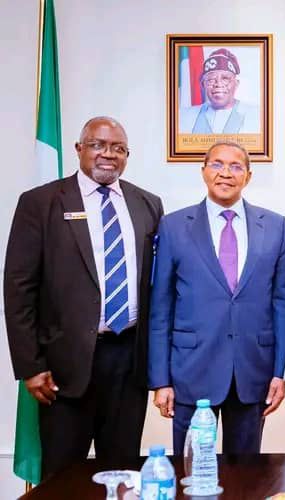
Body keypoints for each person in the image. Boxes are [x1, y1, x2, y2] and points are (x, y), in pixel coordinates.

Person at [4, 116, 163, 479]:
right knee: (63, 476)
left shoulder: (148, 204)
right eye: (98, 145)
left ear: (127, 156)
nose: (108, 155)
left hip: (129, 361)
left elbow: (155, 285)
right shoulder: (41, 202)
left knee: (123, 474)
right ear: (79, 149)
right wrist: (30, 366)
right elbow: (18, 289)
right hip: (63, 367)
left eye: (118, 148)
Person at [148, 140, 285, 456]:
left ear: (248, 176)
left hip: (253, 371)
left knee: (245, 479)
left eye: (236, 166)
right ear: (203, 171)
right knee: (189, 474)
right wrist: (161, 380)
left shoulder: (275, 227)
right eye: (217, 164)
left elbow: (284, 304)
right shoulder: (174, 226)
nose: (225, 173)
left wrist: (280, 371)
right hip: (190, 371)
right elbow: (161, 307)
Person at [179, 48, 260, 134]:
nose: (218, 84)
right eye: (211, 79)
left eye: (225, 78)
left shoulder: (257, 115)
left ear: (236, 84)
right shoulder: (184, 117)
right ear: (203, 85)